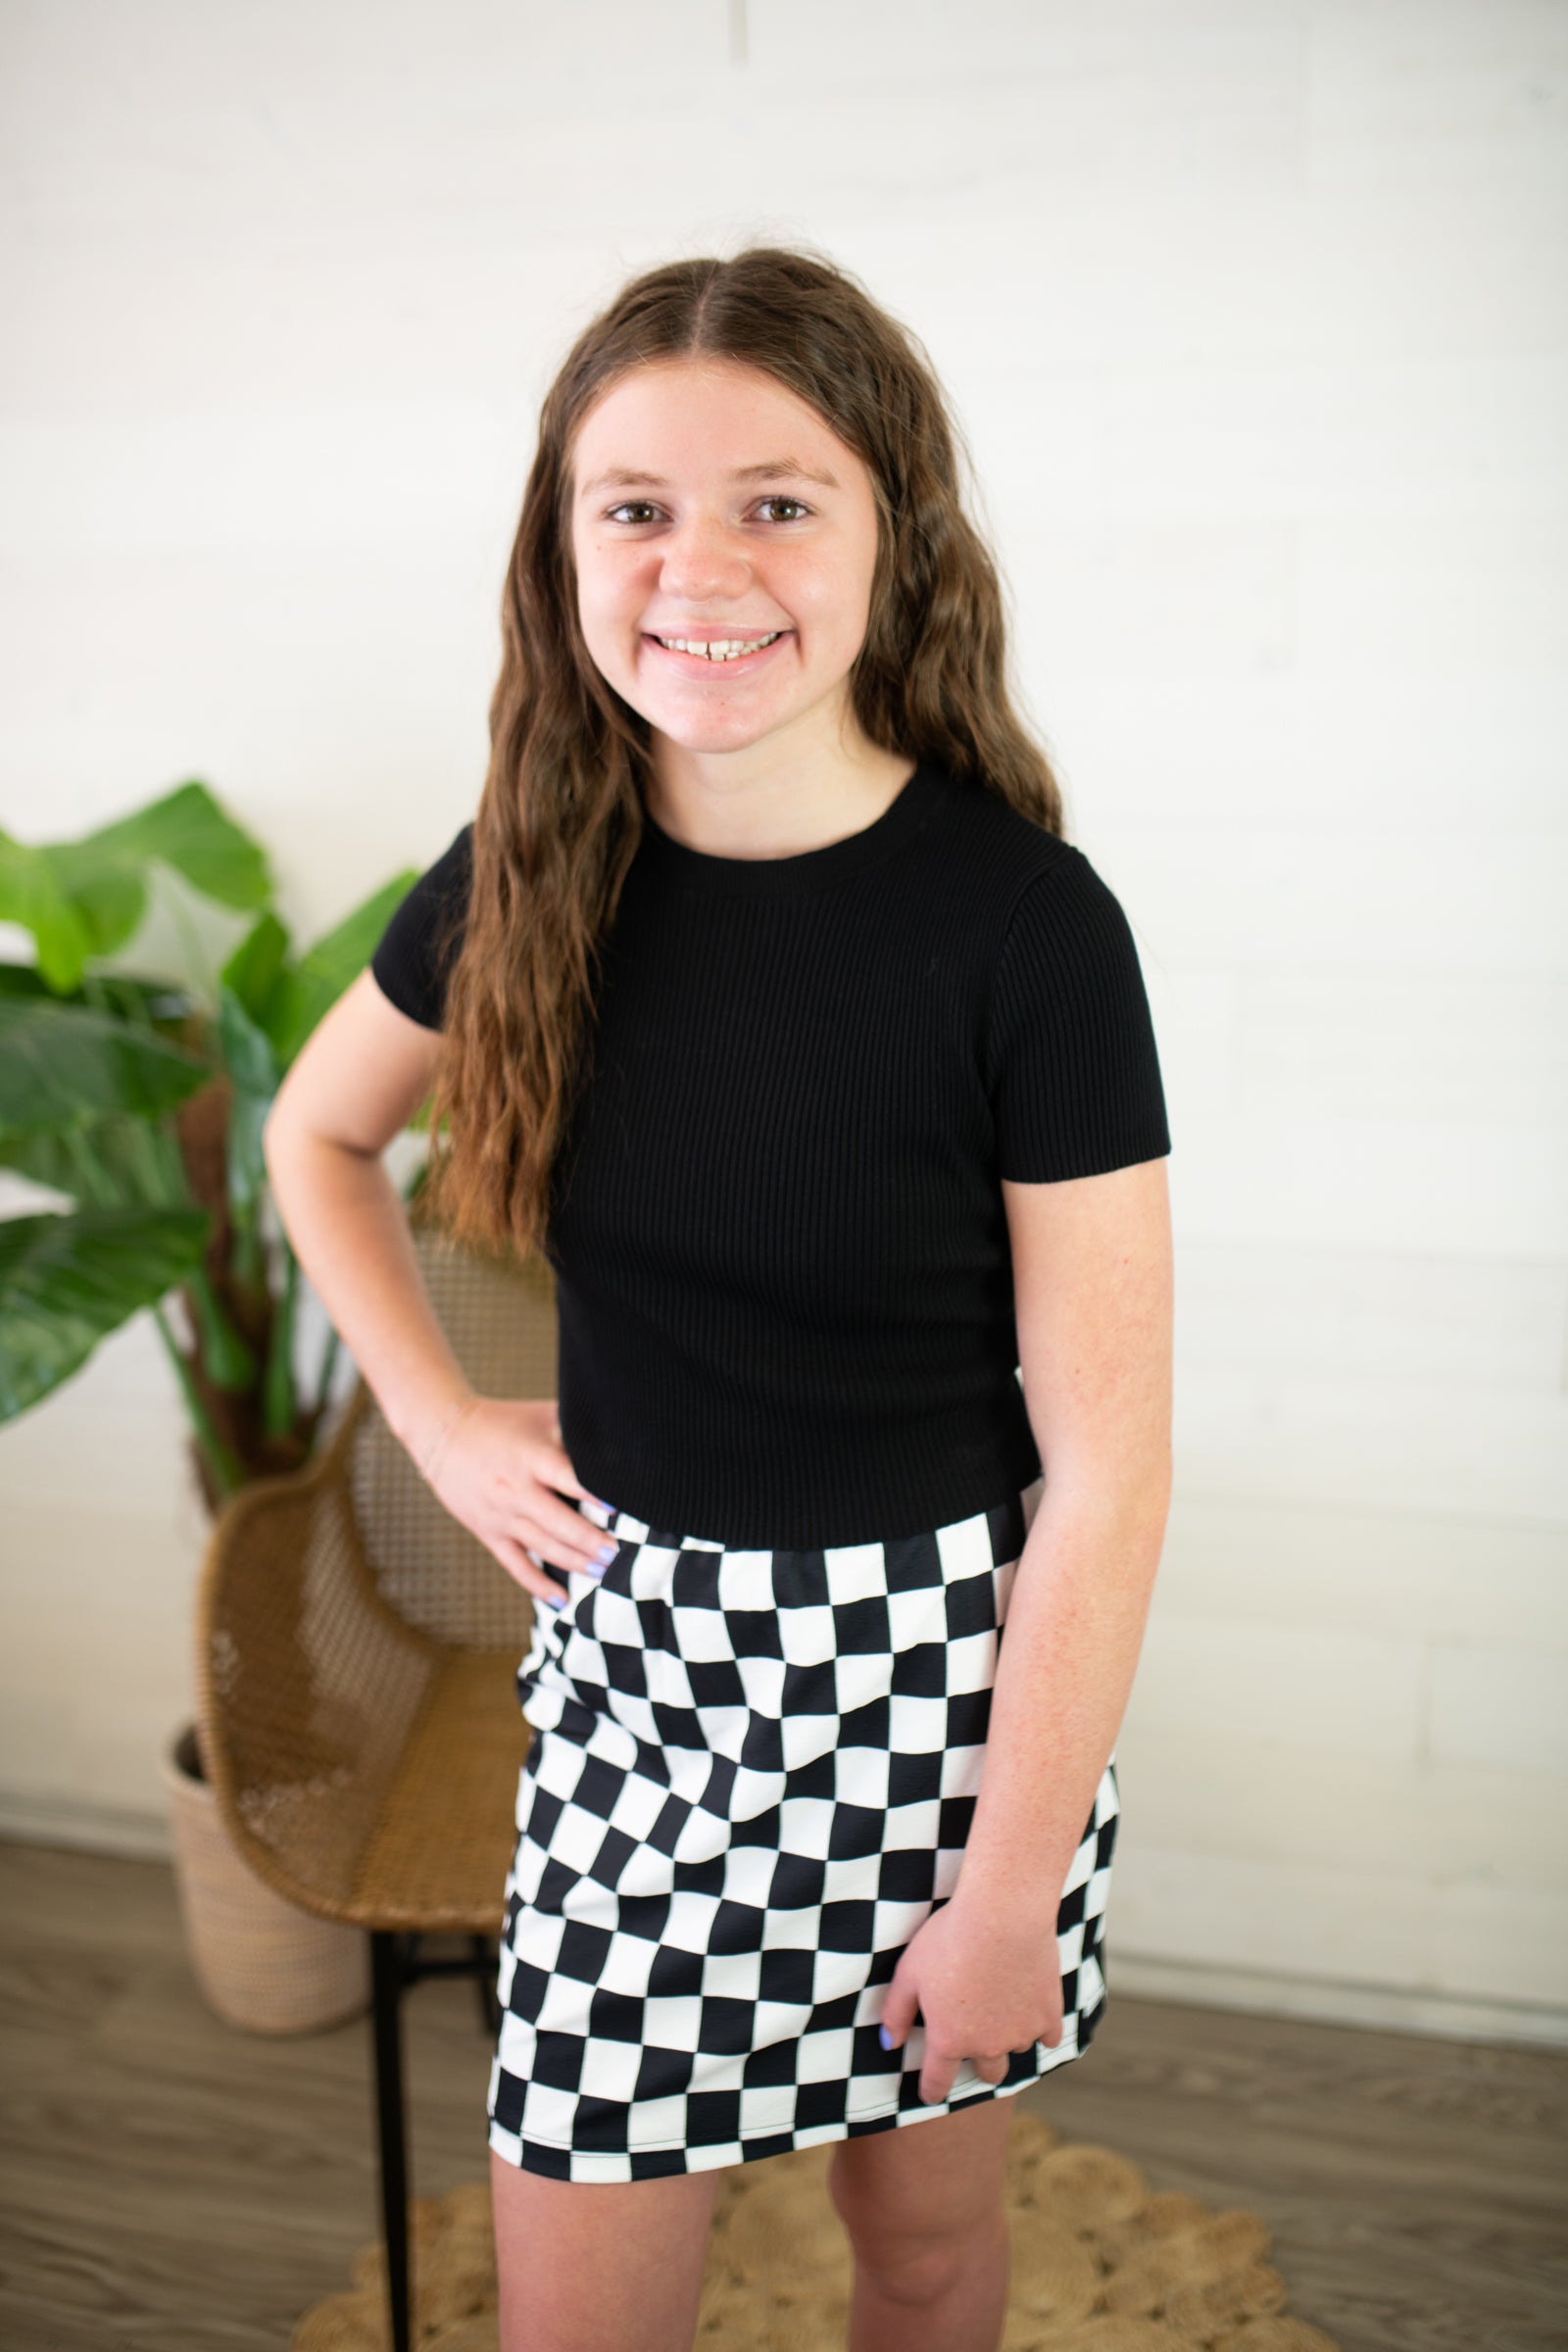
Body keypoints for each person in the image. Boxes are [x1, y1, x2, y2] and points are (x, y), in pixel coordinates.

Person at [264, 244, 1173, 2352]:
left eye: (778, 499)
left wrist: (1006, 1887)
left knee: (928, 2254)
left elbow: (1108, 1462)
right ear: (561, 553)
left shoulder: (1023, 932)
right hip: (641, 1698)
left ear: (890, 538)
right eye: (635, 506)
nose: (702, 565)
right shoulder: (520, 870)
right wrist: (436, 1415)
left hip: (935, 1709)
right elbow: (317, 1142)